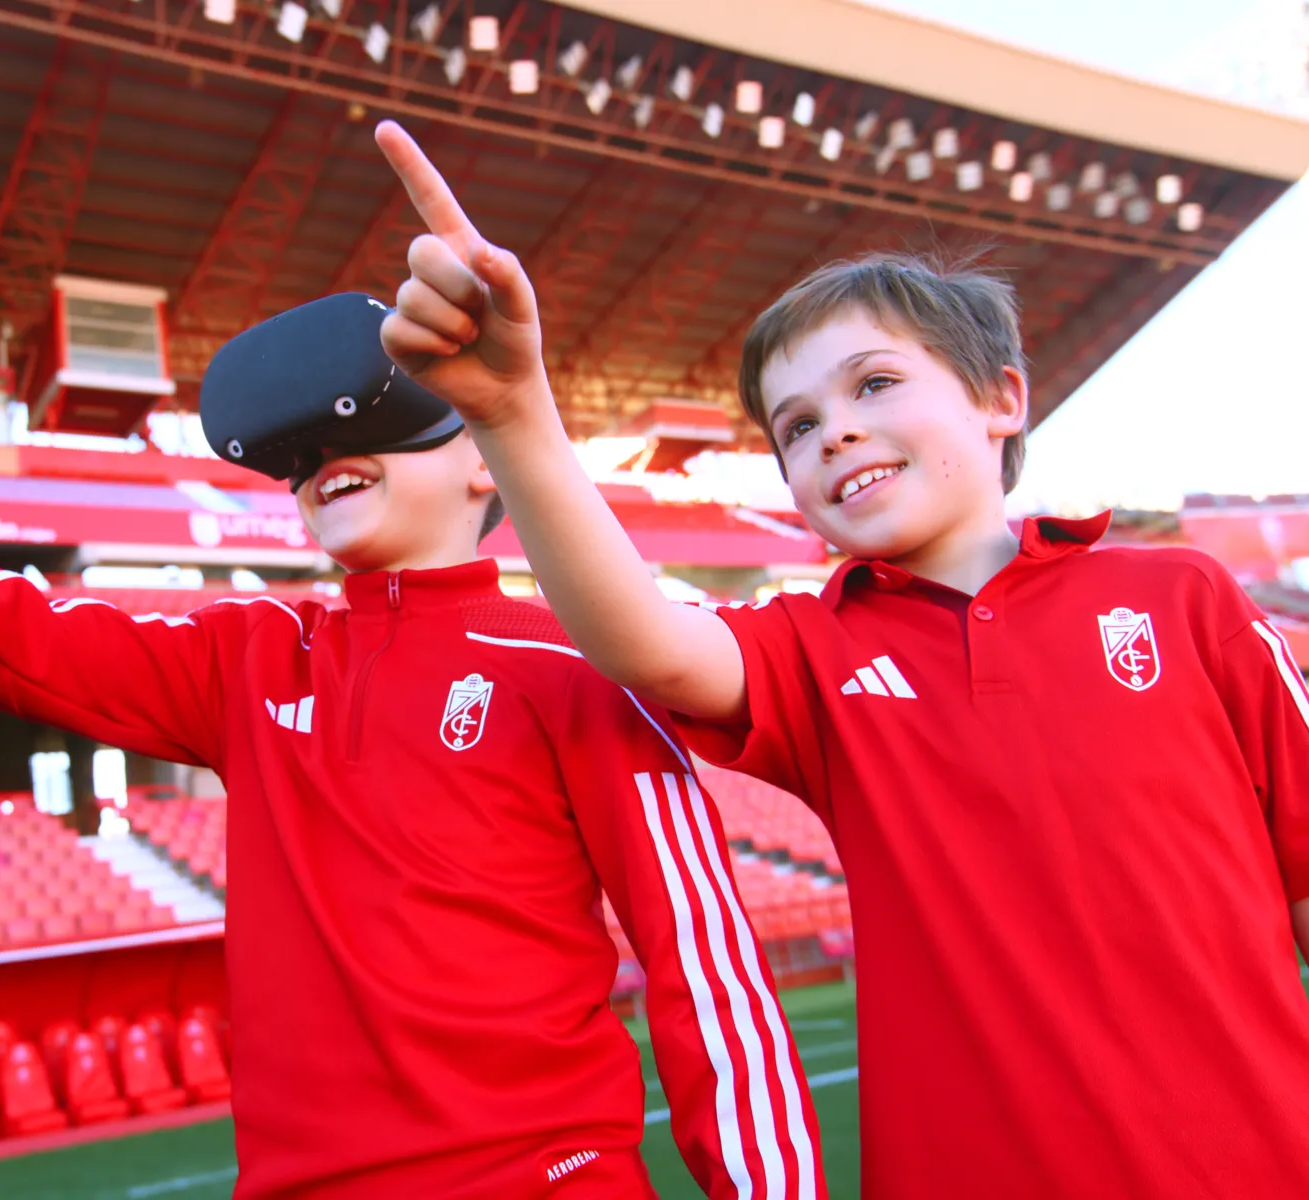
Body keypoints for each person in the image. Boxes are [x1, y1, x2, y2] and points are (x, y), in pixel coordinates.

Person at [0, 193, 823, 1200]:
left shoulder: (584, 662)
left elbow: (709, 981)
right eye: (295, 451)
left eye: (388, 412)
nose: (320, 456)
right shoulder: (251, 659)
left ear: (483, 460)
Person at [370, 121, 1309, 1198]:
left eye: (873, 384)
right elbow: (642, 643)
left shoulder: (1182, 596)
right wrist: (513, 414)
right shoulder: (813, 646)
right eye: (797, 426)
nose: (834, 434)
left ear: (1002, 399)